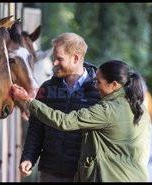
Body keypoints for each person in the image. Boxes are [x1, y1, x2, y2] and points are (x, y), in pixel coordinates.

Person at [12, 60, 152, 182]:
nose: (95, 86)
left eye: (99, 82)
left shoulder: (108, 110)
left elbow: (64, 121)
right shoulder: (141, 109)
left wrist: (28, 100)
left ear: (114, 85)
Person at [18, 32, 101, 182]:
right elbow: (36, 128)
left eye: (59, 59)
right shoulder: (47, 88)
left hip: (83, 175)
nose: (54, 63)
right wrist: (28, 158)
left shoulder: (98, 92)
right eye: (54, 58)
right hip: (49, 173)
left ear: (76, 58)